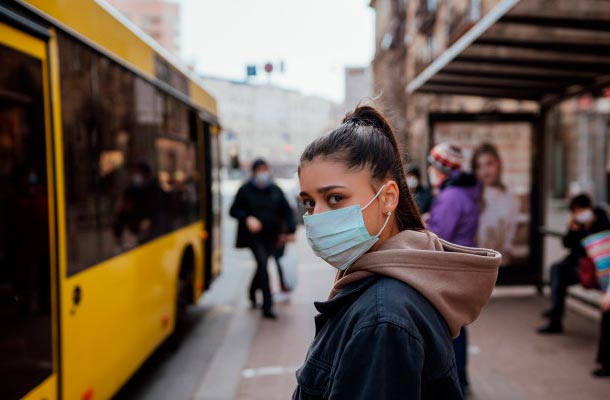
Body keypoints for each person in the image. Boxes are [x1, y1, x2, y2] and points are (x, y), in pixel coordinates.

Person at [293, 106, 500, 399]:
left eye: (335, 198)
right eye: (309, 203)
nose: (317, 216)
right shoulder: (382, 293)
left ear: (388, 198)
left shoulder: (383, 318)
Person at [426, 142, 481, 396]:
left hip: (451, 264)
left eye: (433, 164)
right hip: (462, 262)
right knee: (456, 324)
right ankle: (462, 379)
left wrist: (424, 228)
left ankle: (458, 381)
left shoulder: (451, 195)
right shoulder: (462, 190)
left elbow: (440, 235)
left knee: (452, 326)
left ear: (441, 167)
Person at [230, 159, 295, 319]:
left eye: (264, 169)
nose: (262, 174)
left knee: (261, 265)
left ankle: (252, 292)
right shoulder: (245, 190)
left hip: (272, 236)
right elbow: (233, 210)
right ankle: (268, 305)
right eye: (259, 170)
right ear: (253, 172)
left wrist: (291, 230)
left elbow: (287, 211)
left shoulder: (275, 189)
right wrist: (247, 218)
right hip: (253, 238)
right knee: (264, 264)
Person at [538, 194, 610, 334]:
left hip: (597, 267)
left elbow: (602, 239)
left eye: (580, 210)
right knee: (557, 270)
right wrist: (573, 229)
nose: (578, 214)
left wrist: (588, 227)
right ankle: (555, 317)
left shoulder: (600, 216)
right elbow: (567, 243)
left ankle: (554, 313)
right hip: (579, 265)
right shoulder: (576, 222)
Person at [472, 143, 520, 266]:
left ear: (498, 163)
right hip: (476, 262)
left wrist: (507, 251)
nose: (485, 171)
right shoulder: (471, 197)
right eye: (479, 166)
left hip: (501, 262)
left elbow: (511, 231)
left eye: (489, 163)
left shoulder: (511, 198)